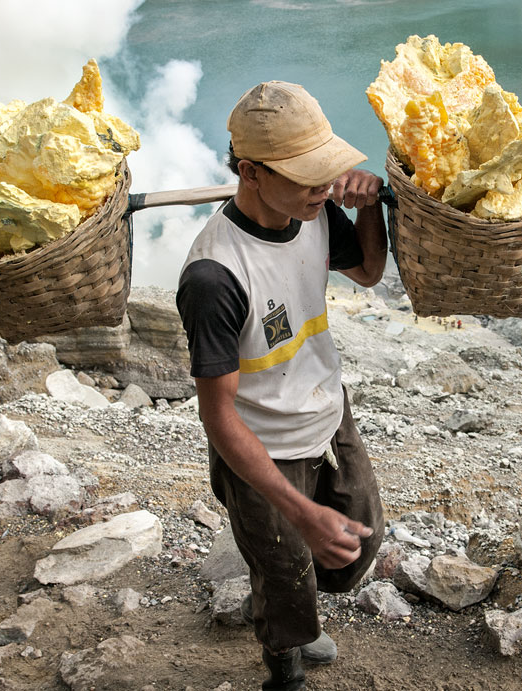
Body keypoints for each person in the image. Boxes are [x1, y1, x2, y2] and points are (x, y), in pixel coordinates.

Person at [176, 81, 388, 690]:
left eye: (328, 172)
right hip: (262, 444)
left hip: (326, 412)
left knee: (356, 539)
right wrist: (300, 511)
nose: (325, 187)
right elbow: (219, 420)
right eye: (308, 176)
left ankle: (272, 594)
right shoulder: (215, 276)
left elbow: (369, 273)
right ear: (250, 172)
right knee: (289, 569)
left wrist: (369, 204)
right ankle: (283, 662)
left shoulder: (312, 214)